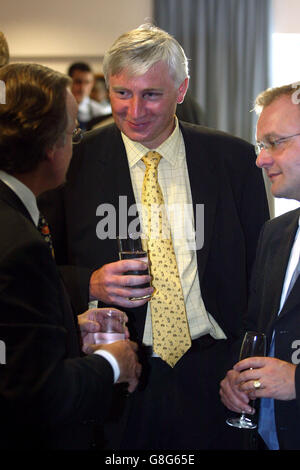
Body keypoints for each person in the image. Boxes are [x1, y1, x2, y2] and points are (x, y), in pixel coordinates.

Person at [39, 24, 269, 450]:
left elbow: (262, 268)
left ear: (181, 90)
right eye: (122, 93)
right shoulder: (72, 160)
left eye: (152, 95)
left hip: (217, 369)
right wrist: (87, 281)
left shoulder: (234, 159)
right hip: (119, 370)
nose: (134, 110)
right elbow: (38, 268)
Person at [0, 62, 141, 450]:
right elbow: (36, 395)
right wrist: (114, 363)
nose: (74, 143)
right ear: (49, 146)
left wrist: (64, 327)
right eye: (71, 132)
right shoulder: (19, 244)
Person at [220, 83, 300, 450]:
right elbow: (256, 329)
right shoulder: (274, 233)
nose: (260, 159)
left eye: (275, 142)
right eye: (261, 145)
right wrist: (236, 380)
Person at [68, 62, 111, 131]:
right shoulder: (58, 110)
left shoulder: (100, 112)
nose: (82, 88)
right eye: (78, 82)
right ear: (68, 81)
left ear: (92, 84)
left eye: (87, 82)